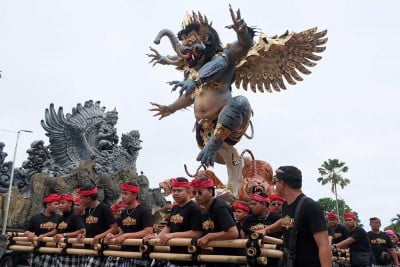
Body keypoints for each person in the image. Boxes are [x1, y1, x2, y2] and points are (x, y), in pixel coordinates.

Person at [263, 165, 332, 267]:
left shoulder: (310, 206)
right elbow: (286, 221)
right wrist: (266, 230)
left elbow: (324, 246)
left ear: (282, 183)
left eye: (276, 182)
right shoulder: (286, 205)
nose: (274, 186)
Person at [148, 177, 204, 267]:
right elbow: (168, 227)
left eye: (179, 191)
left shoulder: (194, 208)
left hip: (190, 259)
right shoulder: (175, 208)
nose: (175, 193)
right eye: (174, 190)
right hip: (174, 258)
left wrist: (172, 235)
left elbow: (198, 232)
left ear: (188, 191)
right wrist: (156, 238)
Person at [192, 176, 244, 267]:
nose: (196, 195)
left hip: (233, 259)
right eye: (194, 192)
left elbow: (233, 233)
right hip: (218, 257)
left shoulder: (219, 207)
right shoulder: (203, 210)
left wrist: (210, 236)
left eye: (200, 192)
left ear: (210, 191)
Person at [104, 181, 153, 267]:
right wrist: (114, 236)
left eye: (126, 193)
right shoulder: (124, 213)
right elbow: (123, 231)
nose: (122, 196)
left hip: (139, 254)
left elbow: (148, 232)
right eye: (122, 193)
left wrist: (126, 236)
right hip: (124, 252)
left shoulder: (144, 211)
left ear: (135, 195)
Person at [77, 185, 118, 267]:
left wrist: (99, 236)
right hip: (87, 247)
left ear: (89, 198)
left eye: (81, 198)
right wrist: (82, 234)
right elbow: (87, 227)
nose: (80, 200)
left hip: (99, 248)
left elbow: (114, 228)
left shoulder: (104, 208)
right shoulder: (87, 210)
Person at [242, 192, 281, 267]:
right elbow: (243, 237)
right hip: (253, 257)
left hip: (274, 258)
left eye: (254, 204)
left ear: (263, 204)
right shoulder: (248, 219)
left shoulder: (278, 218)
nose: (251, 206)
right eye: (250, 204)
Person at [24, 193, 61, 267]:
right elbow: (27, 230)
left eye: (58, 204)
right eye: (55, 204)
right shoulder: (35, 218)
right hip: (38, 250)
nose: (58, 206)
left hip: (53, 252)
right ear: (48, 205)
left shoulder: (60, 218)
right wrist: (29, 234)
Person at [50, 194, 86, 267]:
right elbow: (56, 231)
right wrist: (43, 236)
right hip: (60, 250)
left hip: (71, 252)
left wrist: (64, 235)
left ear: (70, 203)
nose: (60, 205)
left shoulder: (75, 216)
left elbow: (82, 230)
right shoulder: (60, 218)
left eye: (63, 203)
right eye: (59, 203)